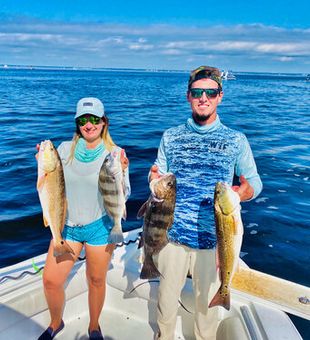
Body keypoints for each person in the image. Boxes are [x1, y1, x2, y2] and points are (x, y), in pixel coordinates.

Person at [150, 66, 262, 340]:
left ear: (220, 96)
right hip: (171, 238)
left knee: (207, 311)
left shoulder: (236, 140)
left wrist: (243, 192)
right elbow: (157, 173)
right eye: (197, 92)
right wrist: (153, 181)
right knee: (165, 302)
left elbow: (255, 184)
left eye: (210, 92)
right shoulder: (171, 136)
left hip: (215, 245)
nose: (204, 98)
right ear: (188, 96)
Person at [37, 97, 130, 340]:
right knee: (50, 281)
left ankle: (94, 326)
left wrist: (123, 171)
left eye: (94, 119)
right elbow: (48, 184)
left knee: (97, 279)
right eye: (83, 120)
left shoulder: (115, 153)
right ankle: (56, 323)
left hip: (100, 227)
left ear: (104, 122)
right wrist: (41, 161)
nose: (88, 125)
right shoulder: (63, 150)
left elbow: (125, 194)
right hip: (66, 228)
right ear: (77, 123)